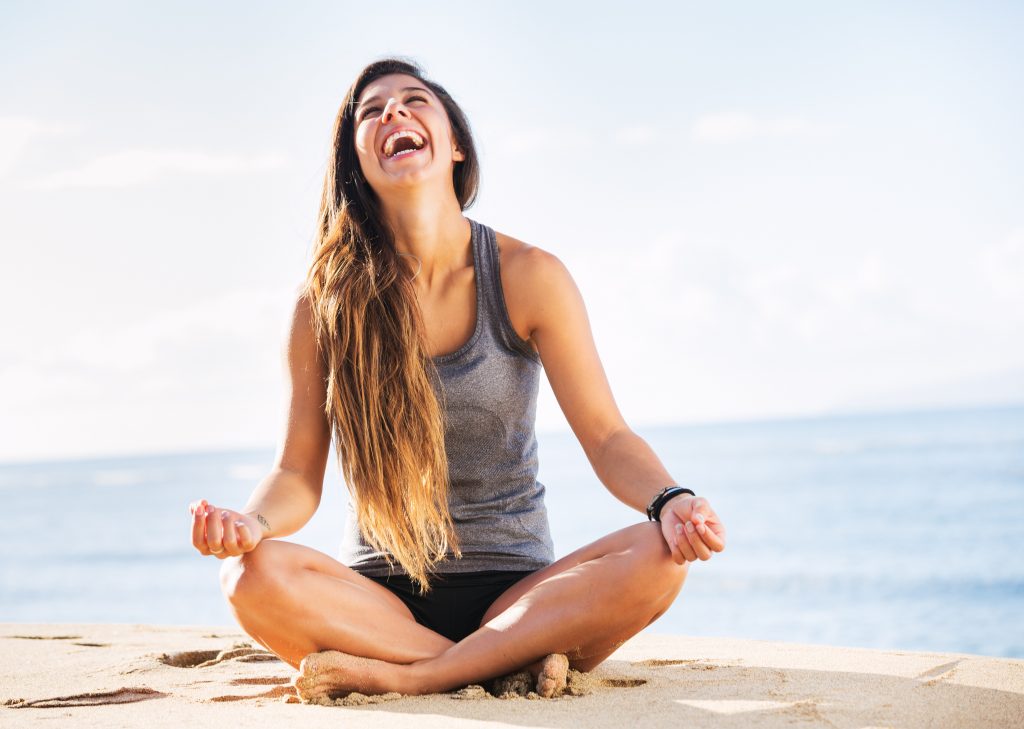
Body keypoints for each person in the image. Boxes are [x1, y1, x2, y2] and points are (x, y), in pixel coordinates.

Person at [188, 56, 727, 702]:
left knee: (662, 557)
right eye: (371, 111)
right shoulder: (324, 303)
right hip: (379, 604)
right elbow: (298, 472)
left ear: (457, 147)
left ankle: (410, 676)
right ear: (356, 161)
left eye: (414, 100)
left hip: (519, 593)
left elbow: (608, 436)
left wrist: (671, 502)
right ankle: (494, 663)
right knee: (248, 577)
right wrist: (251, 523)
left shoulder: (529, 275)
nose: (393, 112)